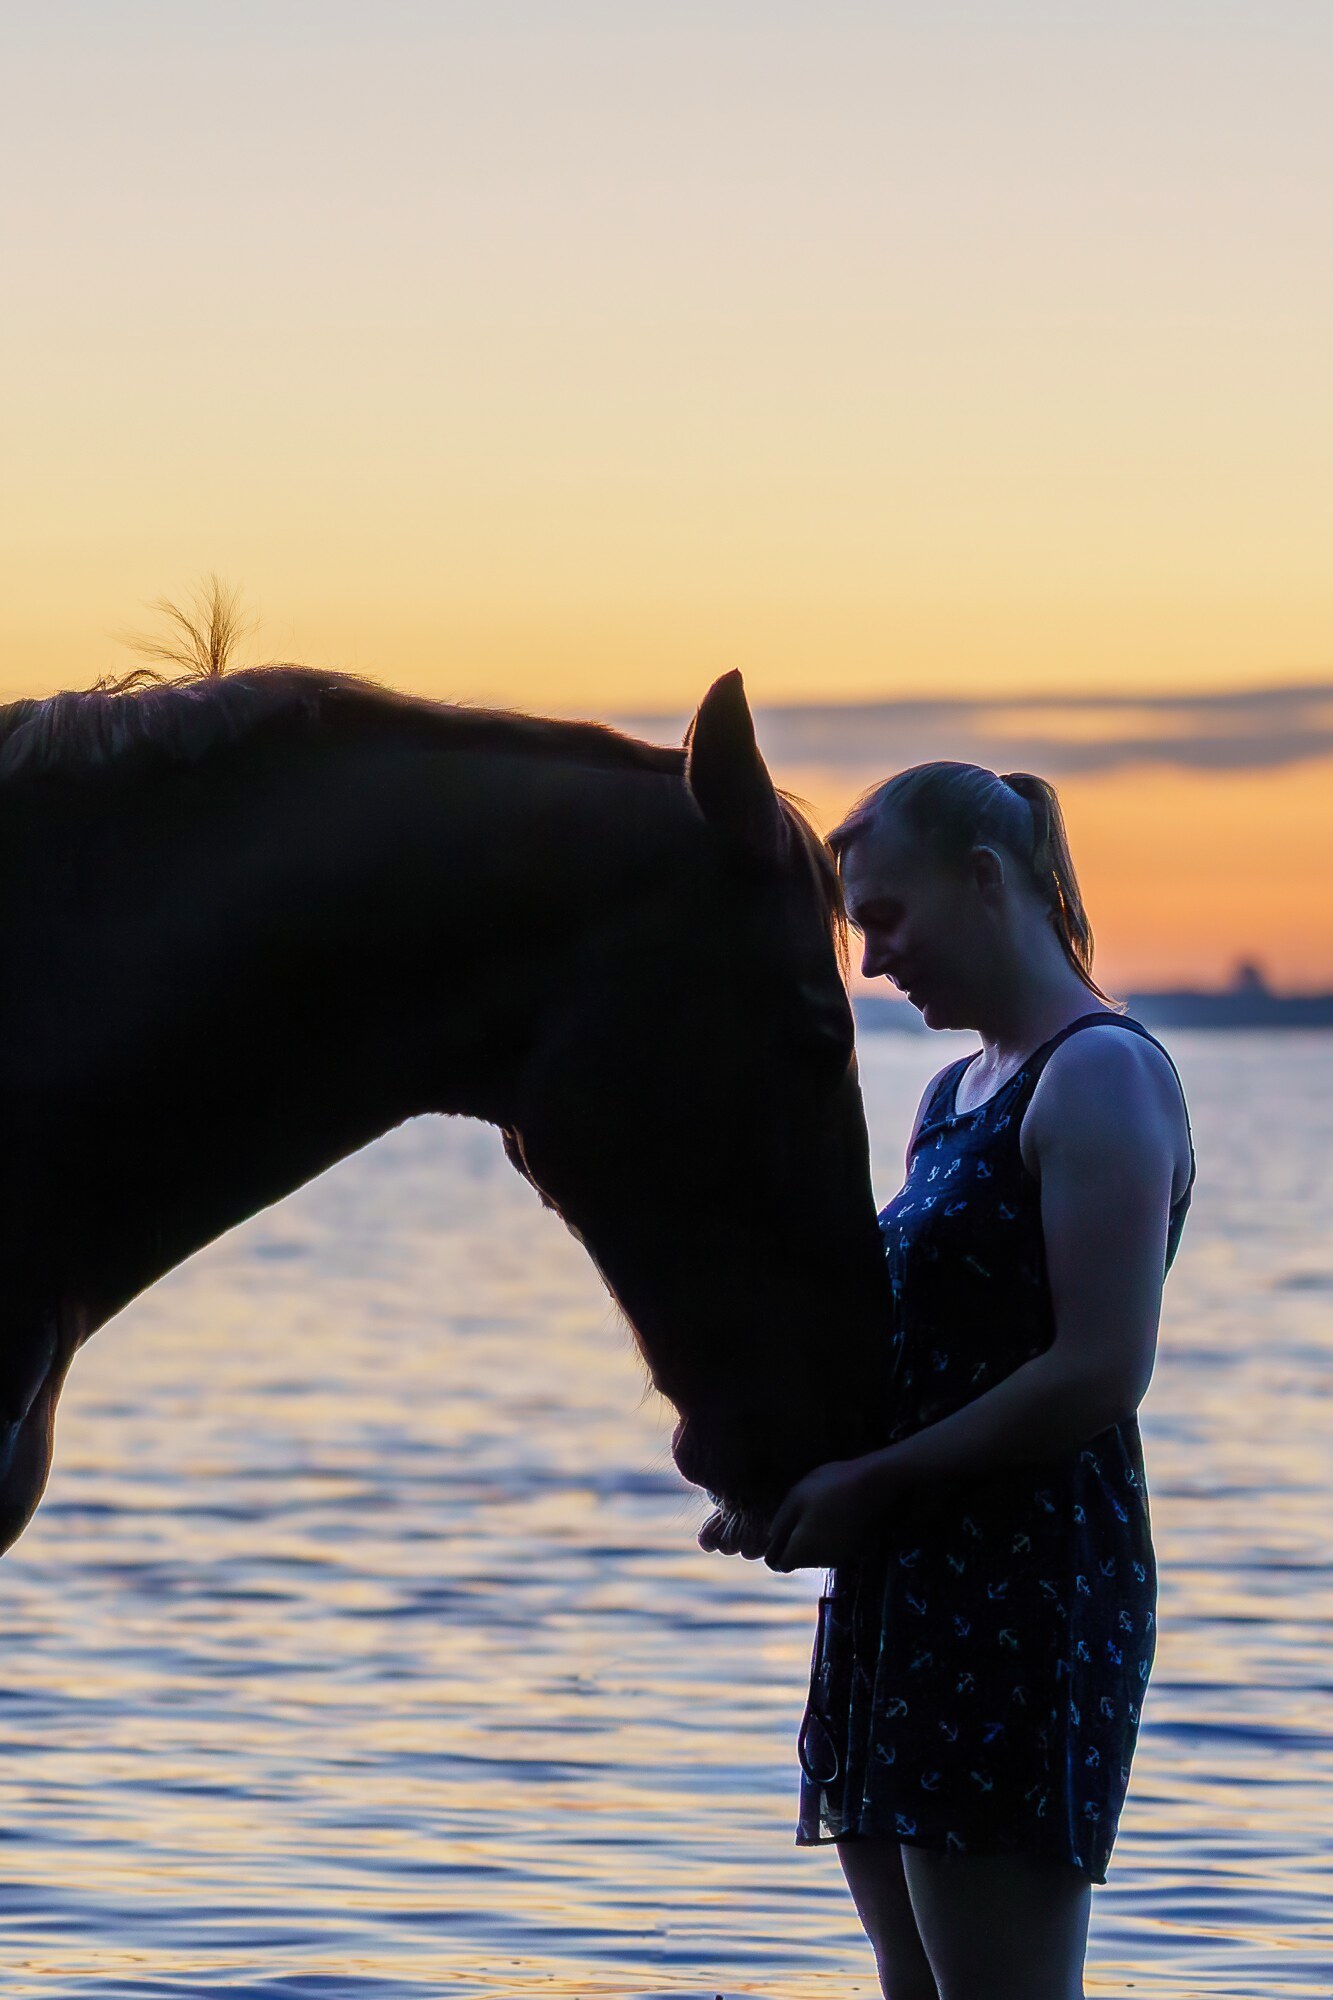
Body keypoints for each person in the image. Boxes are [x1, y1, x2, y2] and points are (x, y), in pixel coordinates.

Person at [757, 763, 1194, 2000]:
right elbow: (918, 1356)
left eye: (887, 918)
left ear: (985, 881)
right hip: (905, 1582)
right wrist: (792, 1478)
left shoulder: (1099, 1074)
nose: (874, 960)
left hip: (1023, 1592)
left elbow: (1101, 1369)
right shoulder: (957, 1092)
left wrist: (877, 1482)